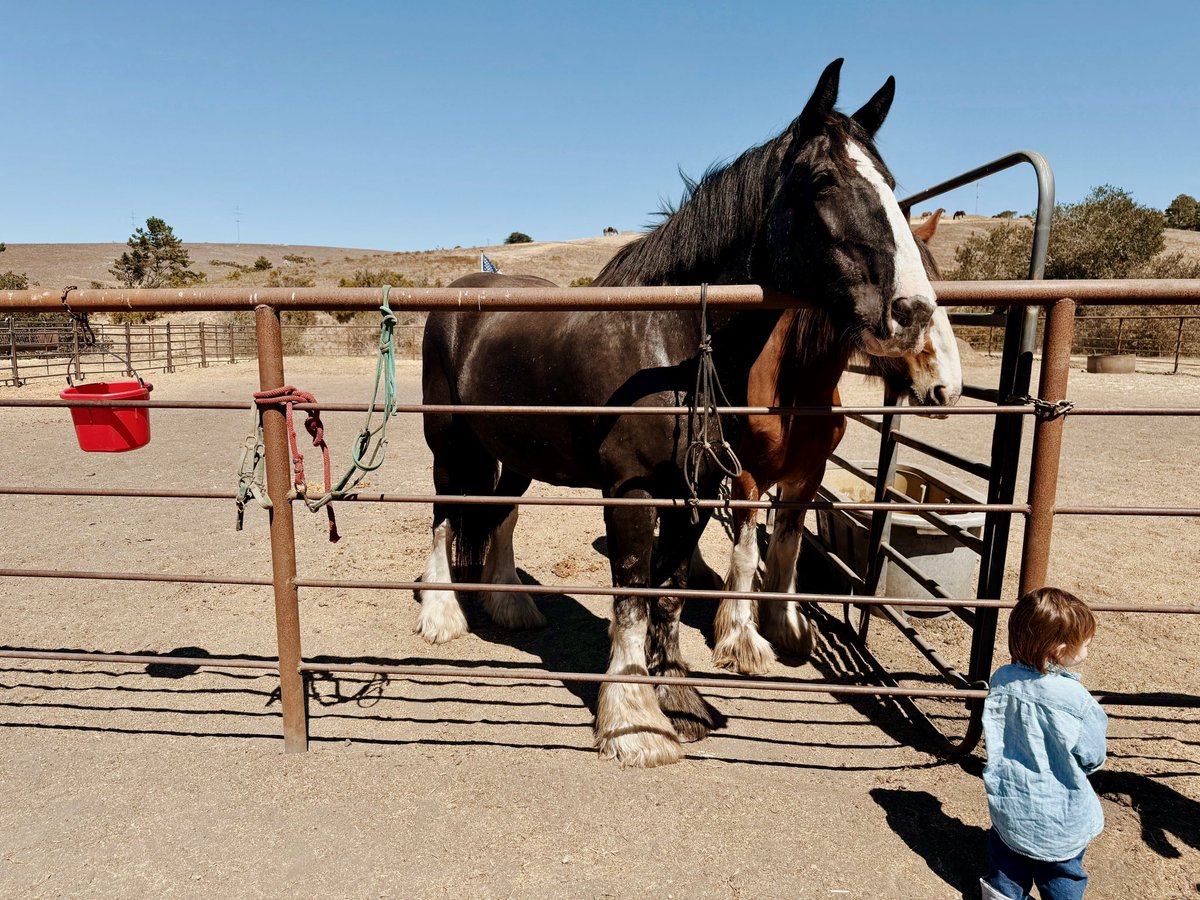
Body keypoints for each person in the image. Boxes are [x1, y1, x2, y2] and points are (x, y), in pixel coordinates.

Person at [980, 587, 1108, 900]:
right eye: (1085, 644)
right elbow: (1092, 755)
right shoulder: (1078, 702)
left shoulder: (1001, 679)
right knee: (1062, 874)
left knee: (1007, 867)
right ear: (1060, 649)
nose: (1087, 651)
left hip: (1010, 804)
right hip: (1060, 816)